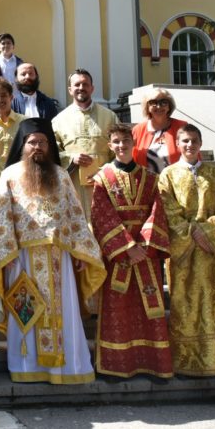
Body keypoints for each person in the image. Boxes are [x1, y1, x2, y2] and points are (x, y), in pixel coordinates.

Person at [0, 118, 105, 384]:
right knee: (26, 311)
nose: (37, 147)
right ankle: (27, 366)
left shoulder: (62, 175)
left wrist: (81, 253)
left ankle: (66, 368)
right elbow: (3, 217)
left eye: (42, 142)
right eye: (32, 142)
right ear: (23, 145)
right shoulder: (9, 176)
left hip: (59, 258)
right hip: (22, 259)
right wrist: (6, 255)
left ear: (49, 145)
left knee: (62, 312)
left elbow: (76, 215)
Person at [158, 124, 215, 377]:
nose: (190, 145)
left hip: (211, 252)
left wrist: (205, 232)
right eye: (185, 141)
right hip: (184, 253)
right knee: (185, 303)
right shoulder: (167, 175)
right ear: (177, 143)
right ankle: (187, 361)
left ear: (200, 143)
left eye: (194, 141)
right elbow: (167, 211)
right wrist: (191, 232)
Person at [90, 124, 172, 380]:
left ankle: (153, 365)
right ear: (109, 145)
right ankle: (117, 366)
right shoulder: (101, 179)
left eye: (125, 140)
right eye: (116, 141)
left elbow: (158, 212)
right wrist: (127, 246)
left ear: (133, 143)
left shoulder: (150, 178)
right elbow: (101, 216)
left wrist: (144, 245)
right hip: (118, 257)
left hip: (146, 254)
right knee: (118, 308)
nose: (121, 145)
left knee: (149, 310)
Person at [51, 68, 119, 220]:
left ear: (92, 88)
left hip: (105, 186)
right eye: (77, 85)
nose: (81, 88)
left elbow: (120, 152)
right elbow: (52, 153)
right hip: (73, 188)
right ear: (70, 89)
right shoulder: (59, 120)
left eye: (85, 84)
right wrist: (70, 158)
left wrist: (105, 171)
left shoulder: (110, 116)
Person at [132, 87, 187, 173]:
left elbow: (194, 156)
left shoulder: (182, 127)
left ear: (169, 106)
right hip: (146, 183)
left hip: (176, 182)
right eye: (153, 102)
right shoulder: (138, 130)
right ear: (147, 107)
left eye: (164, 102)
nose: (158, 106)